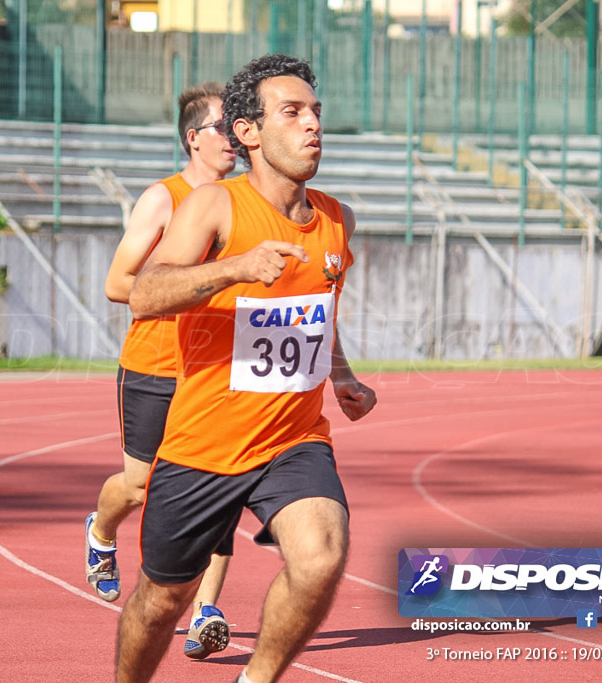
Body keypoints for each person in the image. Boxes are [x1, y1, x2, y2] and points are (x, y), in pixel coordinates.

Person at [117, 55, 378, 683]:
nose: (313, 124)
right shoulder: (214, 206)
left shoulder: (336, 218)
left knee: (321, 557)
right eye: (292, 112)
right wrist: (233, 267)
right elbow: (145, 294)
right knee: (162, 602)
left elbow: (318, 311)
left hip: (294, 439)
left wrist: (340, 372)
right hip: (203, 445)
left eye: (316, 112)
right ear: (249, 133)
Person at [86, 82, 238, 659]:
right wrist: (192, 288)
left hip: (216, 368)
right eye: (224, 128)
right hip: (153, 364)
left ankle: (207, 611)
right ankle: (101, 532)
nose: (233, 138)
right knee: (141, 485)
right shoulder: (163, 198)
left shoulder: (245, 200)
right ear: (194, 138)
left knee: (223, 483)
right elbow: (116, 283)